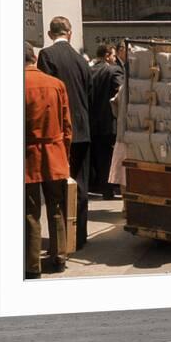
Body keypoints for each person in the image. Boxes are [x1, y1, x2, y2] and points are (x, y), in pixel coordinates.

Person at [37, 16, 93, 250]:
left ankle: (62, 239)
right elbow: (88, 92)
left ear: (51, 34)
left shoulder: (47, 56)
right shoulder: (81, 59)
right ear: (69, 33)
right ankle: (79, 236)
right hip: (83, 128)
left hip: (61, 129)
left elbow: (45, 94)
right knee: (80, 183)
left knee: (59, 185)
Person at [24, 42, 72, 279]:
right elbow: (67, 126)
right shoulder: (57, 84)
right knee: (56, 206)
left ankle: (32, 265)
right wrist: (66, 155)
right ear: (34, 58)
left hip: (28, 155)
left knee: (30, 212)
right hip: (54, 151)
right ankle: (59, 256)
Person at [90, 44, 124, 199]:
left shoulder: (90, 71)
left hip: (94, 122)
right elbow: (120, 91)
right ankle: (112, 187)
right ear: (107, 55)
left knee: (101, 156)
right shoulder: (114, 70)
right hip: (110, 121)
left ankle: (105, 189)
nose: (115, 58)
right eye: (113, 55)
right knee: (112, 157)